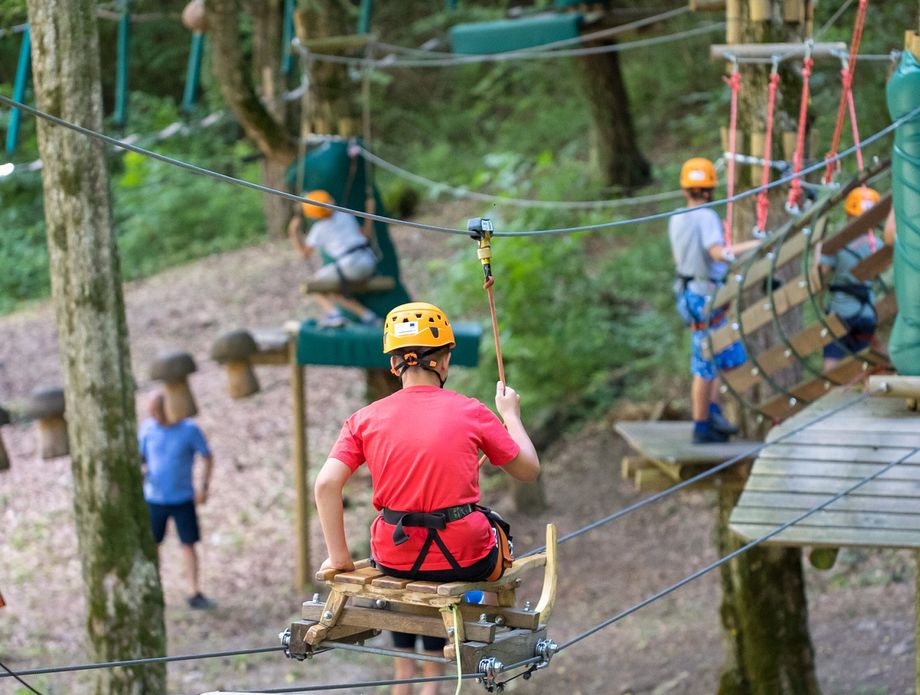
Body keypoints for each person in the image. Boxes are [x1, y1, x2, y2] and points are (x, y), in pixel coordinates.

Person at [314, 302, 540, 695]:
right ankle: (478, 625)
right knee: (496, 531)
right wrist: (511, 415)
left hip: (395, 556)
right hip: (465, 555)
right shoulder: (472, 411)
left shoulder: (363, 419)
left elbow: (325, 485)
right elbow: (528, 470)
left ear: (394, 365)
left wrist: (339, 558)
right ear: (444, 360)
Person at [669, 157, 762, 444]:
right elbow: (717, 253)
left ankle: (712, 413)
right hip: (703, 295)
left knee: (716, 353)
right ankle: (701, 425)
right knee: (705, 361)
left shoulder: (677, 217)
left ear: (686, 189)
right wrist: (756, 245)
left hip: (689, 292)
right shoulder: (706, 216)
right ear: (711, 188)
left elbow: (679, 258)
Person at [138, 392, 215, 609]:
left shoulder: (188, 429)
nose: (155, 415)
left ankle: (194, 591)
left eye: (157, 411)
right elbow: (141, 458)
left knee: (188, 544)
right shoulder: (147, 429)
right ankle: (152, 591)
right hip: (154, 499)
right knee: (153, 545)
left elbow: (207, 456)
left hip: (183, 498)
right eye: (151, 412)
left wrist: (204, 487)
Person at [288, 189, 380, 328]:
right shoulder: (345, 215)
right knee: (333, 289)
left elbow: (305, 254)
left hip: (350, 266)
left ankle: (334, 314)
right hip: (368, 261)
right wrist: (370, 212)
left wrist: (294, 233)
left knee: (315, 284)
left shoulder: (319, 229)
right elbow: (365, 234)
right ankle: (368, 316)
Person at [818, 186, 885, 371]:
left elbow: (820, 273)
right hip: (866, 314)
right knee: (863, 365)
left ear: (849, 212)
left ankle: (830, 397)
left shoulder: (836, 244)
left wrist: (819, 252)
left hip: (840, 313)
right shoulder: (878, 246)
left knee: (831, 364)